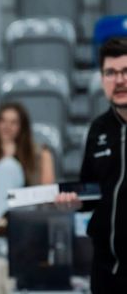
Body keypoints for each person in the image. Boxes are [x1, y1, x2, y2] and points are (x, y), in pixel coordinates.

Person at [56, 38, 127, 293]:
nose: (119, 80)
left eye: (125, 71)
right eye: (110, 73)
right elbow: (90, 191)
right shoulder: (98, 129)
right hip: (105, 269)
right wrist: (72, 201)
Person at [0, 102, 55, 235]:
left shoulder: (42, 154)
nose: (7, 127)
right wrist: (8, 156)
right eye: (3, 121)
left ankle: (6, 222)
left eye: (13, 123)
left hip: (27, 211)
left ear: (22, 128)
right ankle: (3, 222)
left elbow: (47, 193)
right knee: (8, 165)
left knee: (9, 165)